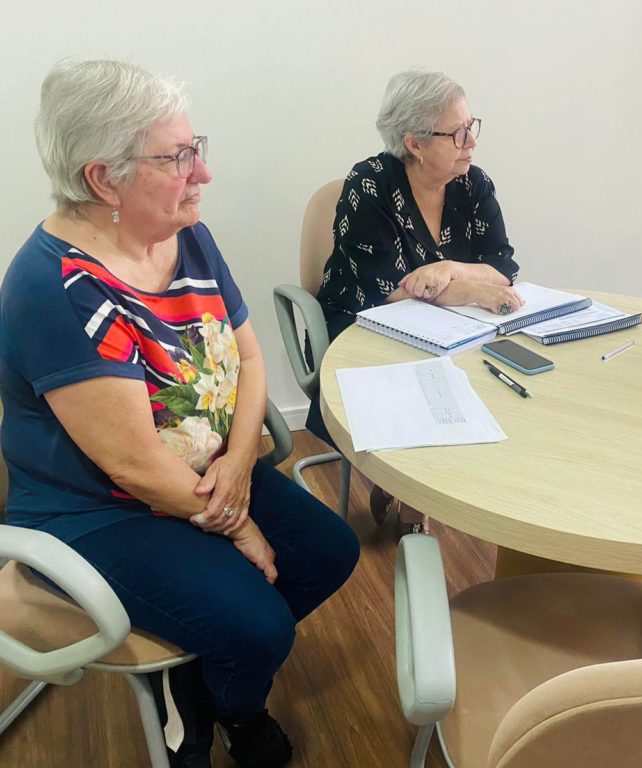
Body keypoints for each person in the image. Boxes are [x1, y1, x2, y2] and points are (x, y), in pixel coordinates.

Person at [0, 60, 360, 768]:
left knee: (330, 551)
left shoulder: (183, 233)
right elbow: (134, 466)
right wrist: (240, 523)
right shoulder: (57, 288)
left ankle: (202, 677)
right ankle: (237, 709)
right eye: (177, 158)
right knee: (259, 627)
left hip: (205, 474)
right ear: (104, 180)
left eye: (197, 148)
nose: (203, 174)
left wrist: (238, 464)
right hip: (100, 508)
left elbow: (249, 357)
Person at [309, 69, 522, 536]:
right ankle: (410, 496)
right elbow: (386, 286)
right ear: (415, 143)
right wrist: (471, 287)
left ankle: (414, 485)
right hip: (360, 324)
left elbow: (503, 266)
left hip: (446, 324)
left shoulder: (474, 184)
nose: (471, 141)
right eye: (457, 132)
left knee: (495, 376)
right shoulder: (369, 184)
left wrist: (447, 269)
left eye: (472, 126)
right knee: (419, 386)